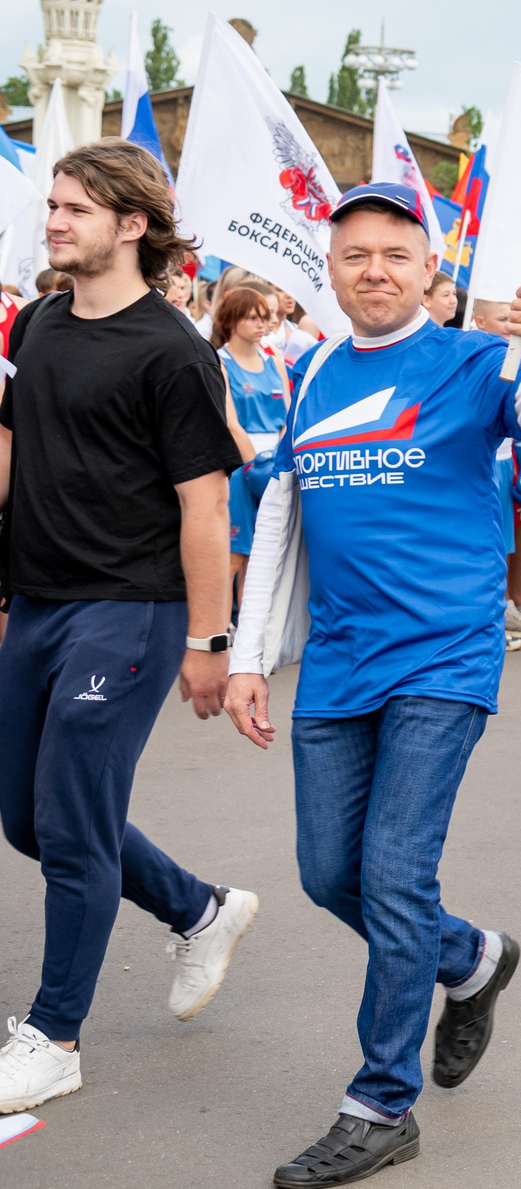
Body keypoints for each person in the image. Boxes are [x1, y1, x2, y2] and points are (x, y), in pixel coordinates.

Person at [222, 181, 521, 1184]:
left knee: (392, 874)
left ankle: (380, 1102)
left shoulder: (479, 360)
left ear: (429, 268)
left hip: (443, 656)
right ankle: (470, 957)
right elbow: (281, 514)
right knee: (327, 873)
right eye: (356, 254)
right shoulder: (313, 370)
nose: (375, 269)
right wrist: (249, 654)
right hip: (338, 661)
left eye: (396, 253)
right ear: (331, 269)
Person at [0, 143, 259, 1118]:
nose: (54, 220)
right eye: (53, 204)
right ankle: (199, 907)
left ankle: (54, 1036)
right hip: (37, 600)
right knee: (28, 820)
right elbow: (13, 456)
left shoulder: (173, 351)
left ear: (133, 223)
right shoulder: (37, 322)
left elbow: (205, 505)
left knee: (71, 824)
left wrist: (208, 639)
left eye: (75, 207)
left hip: (132, 607)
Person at [214, 280, 291, 602]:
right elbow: (230, 422)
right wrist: (253, 467)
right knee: (235, 555)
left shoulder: (274, 361)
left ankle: (250, 626)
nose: (263, 324)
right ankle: (219, 623)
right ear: (232, 319)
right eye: (253, 317)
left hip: (274, 462)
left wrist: (277, 465)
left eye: (265, 317)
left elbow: (288, 417)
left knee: (263, 559)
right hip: (240, 466)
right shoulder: (219, 361)